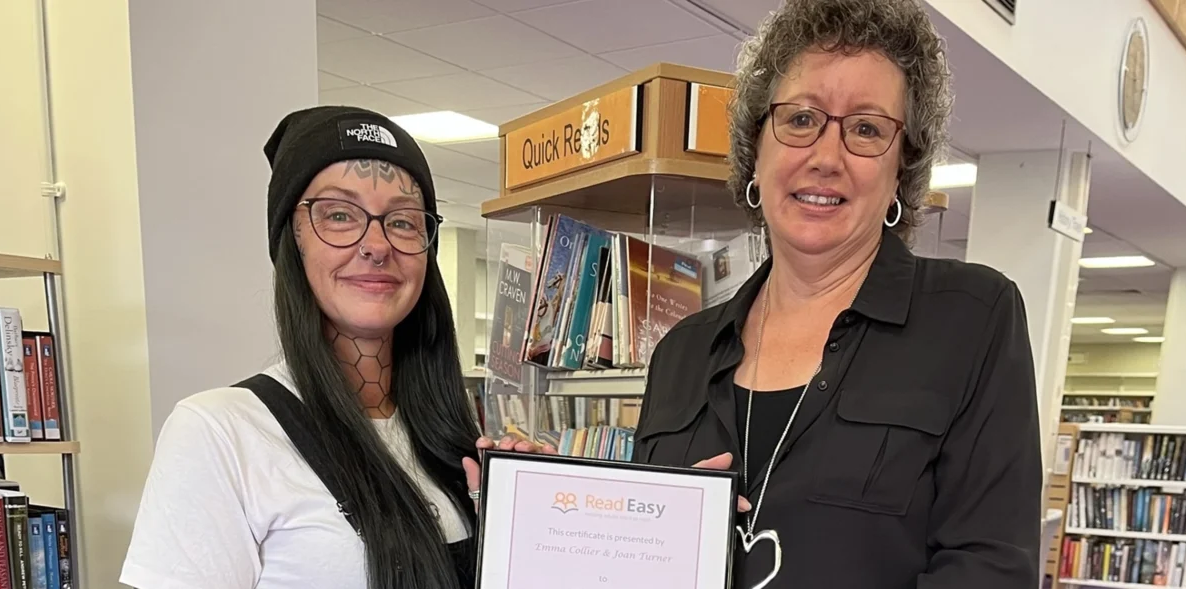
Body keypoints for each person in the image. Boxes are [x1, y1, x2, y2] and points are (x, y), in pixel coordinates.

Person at [631, 1, 1043, 588]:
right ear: (756, 149)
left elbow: (991, 570)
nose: (826, 157)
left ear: (903, 167)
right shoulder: (681, 352)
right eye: (800, 120)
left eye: (867, 129)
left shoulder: (972, 319)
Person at [119, 105, 550, 589]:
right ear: (292, 241)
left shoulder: (449, 435)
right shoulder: (220, 432)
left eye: (404, 222)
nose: (377, 244)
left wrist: (529, 523)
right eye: (340, 215)